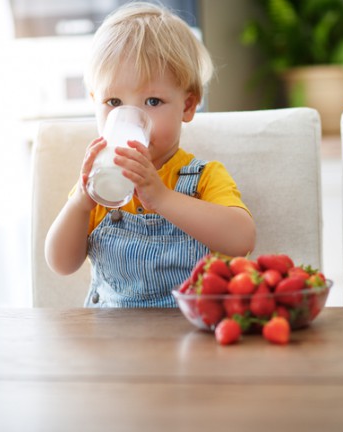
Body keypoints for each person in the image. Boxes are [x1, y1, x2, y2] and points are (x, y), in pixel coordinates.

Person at [45, 2, 256, 308]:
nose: (131, 117)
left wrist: (162, 197)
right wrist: (80, 202)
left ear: (187, 106)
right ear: (95, 103)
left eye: (153, 101)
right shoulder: (100, 182)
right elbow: (61, 264)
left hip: (189, 335)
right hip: (113, 338)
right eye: (114, 101)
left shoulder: (202, 178)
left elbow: (241, 240)